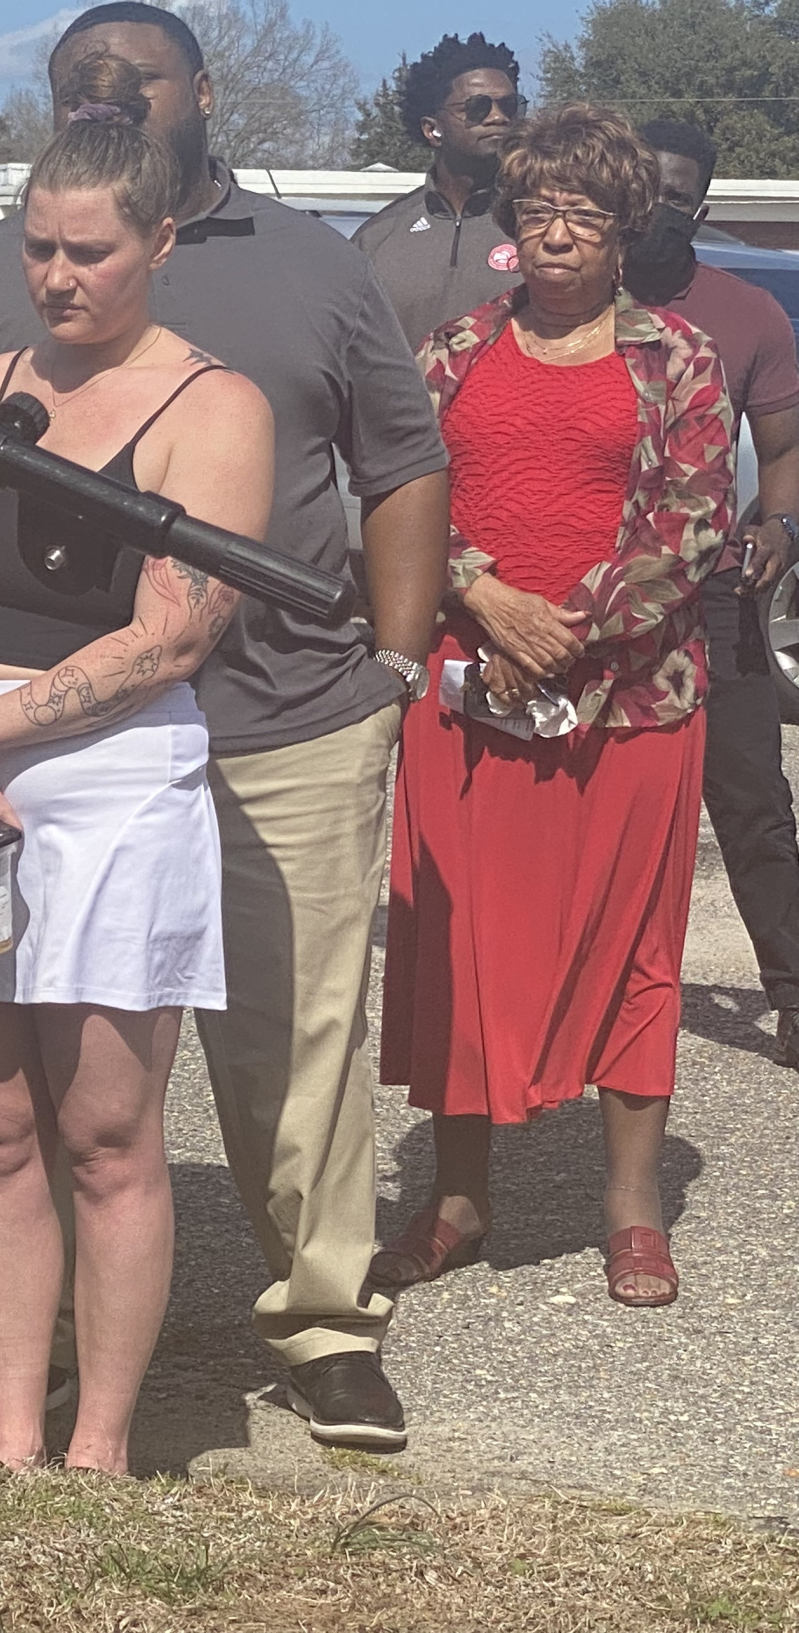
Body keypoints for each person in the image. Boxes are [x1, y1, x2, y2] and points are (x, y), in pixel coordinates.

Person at [0, 0, 448, 1451]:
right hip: (24, 753)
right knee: (37, 1092)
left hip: (284, 711)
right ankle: (42, 1351)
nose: (112, 91)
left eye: (138, 76)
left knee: (292, 1038)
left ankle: (326, 1318)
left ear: (199, 93)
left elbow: (402, 464)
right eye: (84, 76)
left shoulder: (311, 264)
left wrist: (397, 665)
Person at [0, 60, 273, 1472]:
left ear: (159, 246)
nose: (56, 278)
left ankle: (102, 1442)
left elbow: (174, 636)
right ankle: (8, 1433)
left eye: (88, 253)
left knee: (107, 1128)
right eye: (38, 247)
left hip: (108, 776)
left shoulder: (212, 406)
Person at [377, 106, 731, 1311]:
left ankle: (630, 1209)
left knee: (635, 950)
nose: (560, 239)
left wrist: (562, 628)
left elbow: (690, 525)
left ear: (624, 230)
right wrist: (482, 597)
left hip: (628, 704)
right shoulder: (450, 352)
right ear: (508, 229)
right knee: (461, 943)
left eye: (584, 218)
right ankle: (459, 1199)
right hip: (470, 694)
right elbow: (395, 492)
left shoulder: (677, 359)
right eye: (539, 217)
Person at [627, 118, 799, 1073]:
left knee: (751, 802)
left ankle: (792, 993)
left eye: (676, 193)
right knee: (600, 803)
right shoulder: (571, 300)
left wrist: (778, 526)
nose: (656, 206)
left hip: (717, 596)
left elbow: (780, 450)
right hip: (596, 601)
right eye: (641, 185)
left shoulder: (746, 314)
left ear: (701, 205)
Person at [354, 35, 525, 347]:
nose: (498, 117)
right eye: (478, 107)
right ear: (432, 128)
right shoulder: (376, 240)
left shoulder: (542, 226)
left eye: (510, 106)